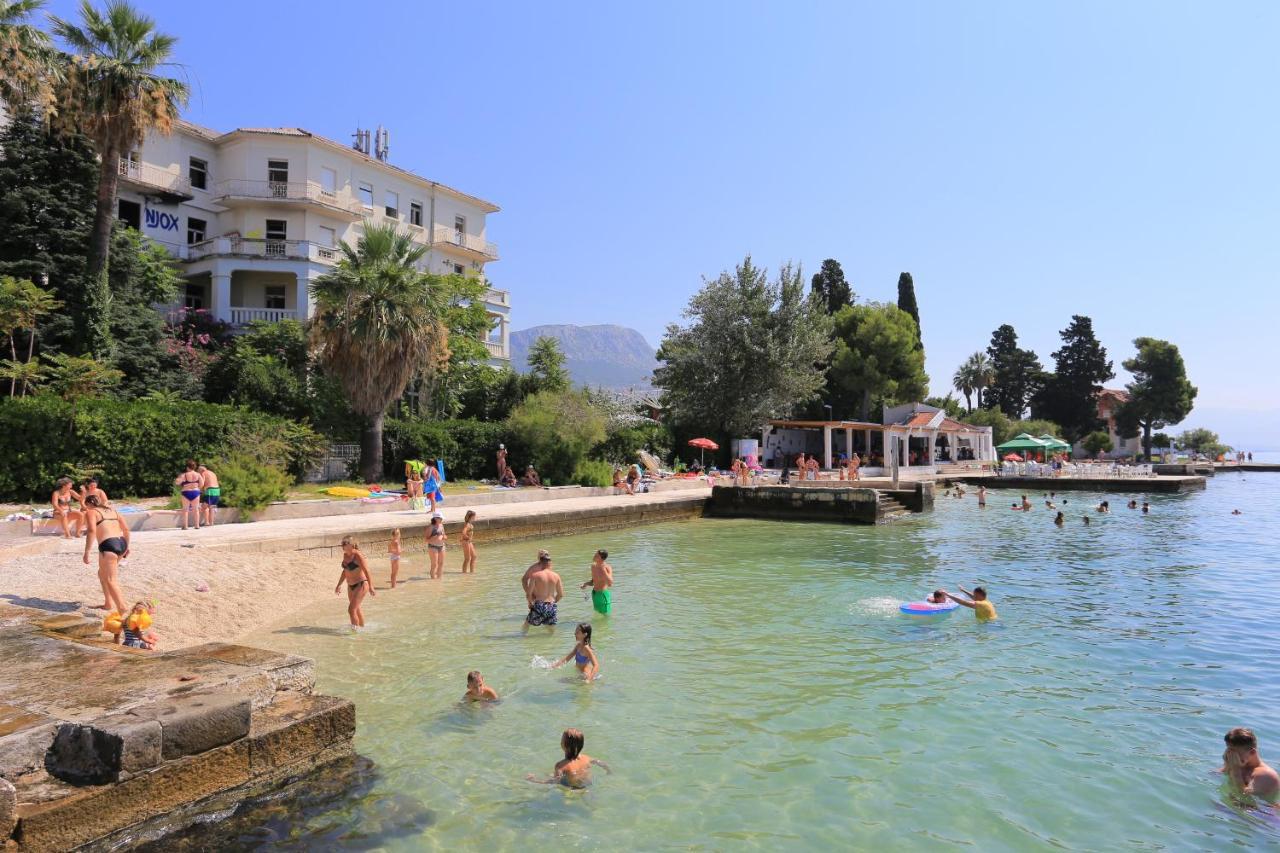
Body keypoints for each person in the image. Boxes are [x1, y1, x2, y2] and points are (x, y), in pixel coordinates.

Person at [82, 494, 128, 614]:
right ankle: (108, 603)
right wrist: (127, 547)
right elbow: (126, 529)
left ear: (88, 504)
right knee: (102, 574)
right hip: (121, 543)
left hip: (109, 545)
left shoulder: (91, 512)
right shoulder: (113, 511)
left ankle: (122, 608)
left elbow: (92, 531)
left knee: (110, 579)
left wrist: (87, 552)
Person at [526, 728, 611, 788]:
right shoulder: (586, 758)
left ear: (564, 746)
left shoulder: (560, 766)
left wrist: (534, 780)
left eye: (562, 740)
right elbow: (600, 762)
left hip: (572, 788)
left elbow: (555, 781)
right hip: (588, 784)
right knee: (557, 774)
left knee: (557, 778)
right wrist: (608, 770)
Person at [1218, 727, 1280, 802]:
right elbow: (1217, 774)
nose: (1230, 755)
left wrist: (1236, 770)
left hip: (1261, 811)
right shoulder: (1239, 764)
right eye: (1229, 750)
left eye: (1235, 753)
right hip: (1233, 805)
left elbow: (1243, 796)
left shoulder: (1266, 775)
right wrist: (1227, 764)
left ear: (1252, 752)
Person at [334, 535, 375, 627]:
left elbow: (366, 570)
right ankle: (361, 628)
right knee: (356, 609)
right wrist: (339, 585)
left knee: (351, 609)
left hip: (361, 585)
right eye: (342, 543)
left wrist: (371, 586)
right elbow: (345, 571)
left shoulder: (358, 555)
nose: (342, 545)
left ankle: (354, 633)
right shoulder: (345, 555)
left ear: (352, 545)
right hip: (350, 586)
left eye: (345, 543)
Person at [521, 549, 563, 632]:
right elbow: (560, 595)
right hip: (551, 605)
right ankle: (553, 643)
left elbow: (528, 594)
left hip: (539, 604)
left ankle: (522, 639)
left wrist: (530, 603)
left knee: (527, 625)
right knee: (551, 630)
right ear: (549, 563)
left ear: (540, 561)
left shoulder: (535, 575)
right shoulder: (556, 575)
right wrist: (553, 603)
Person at [580, 549, 614, 615]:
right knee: (597, 614)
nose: (594, 556)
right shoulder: (593, 566)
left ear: (601, 558)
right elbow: (593, 581)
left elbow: (610, 583)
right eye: (595, 554)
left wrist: (603, 570)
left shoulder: (607, 567)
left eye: (596, 555)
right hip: (594, 594)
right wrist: (586, 584)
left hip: (603, 594)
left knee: (606, 616)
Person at [174, 460, 204, 530]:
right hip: (196, 492)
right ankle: (197, 525)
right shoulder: (198, 474)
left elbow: (177, 483)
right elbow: (202, 484)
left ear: (187, 467)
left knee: (185, 510)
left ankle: (185, 526)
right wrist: (197, 488)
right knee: (196, 509)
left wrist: (178, 478)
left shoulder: (184, 475)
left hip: (186, 492)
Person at [426, 512, 447, 580]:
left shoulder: (441, 525)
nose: (441, 519)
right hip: (433, 547)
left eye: (441, 518)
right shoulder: (431, 527)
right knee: (434, 564)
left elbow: (444, 535)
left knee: (441, 563)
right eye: (440, 518)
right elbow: (426, 540)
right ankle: (433, 580)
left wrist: (444, 537)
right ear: (435, 518)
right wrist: (436, 537)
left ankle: (439, 579)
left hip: (442, 546)